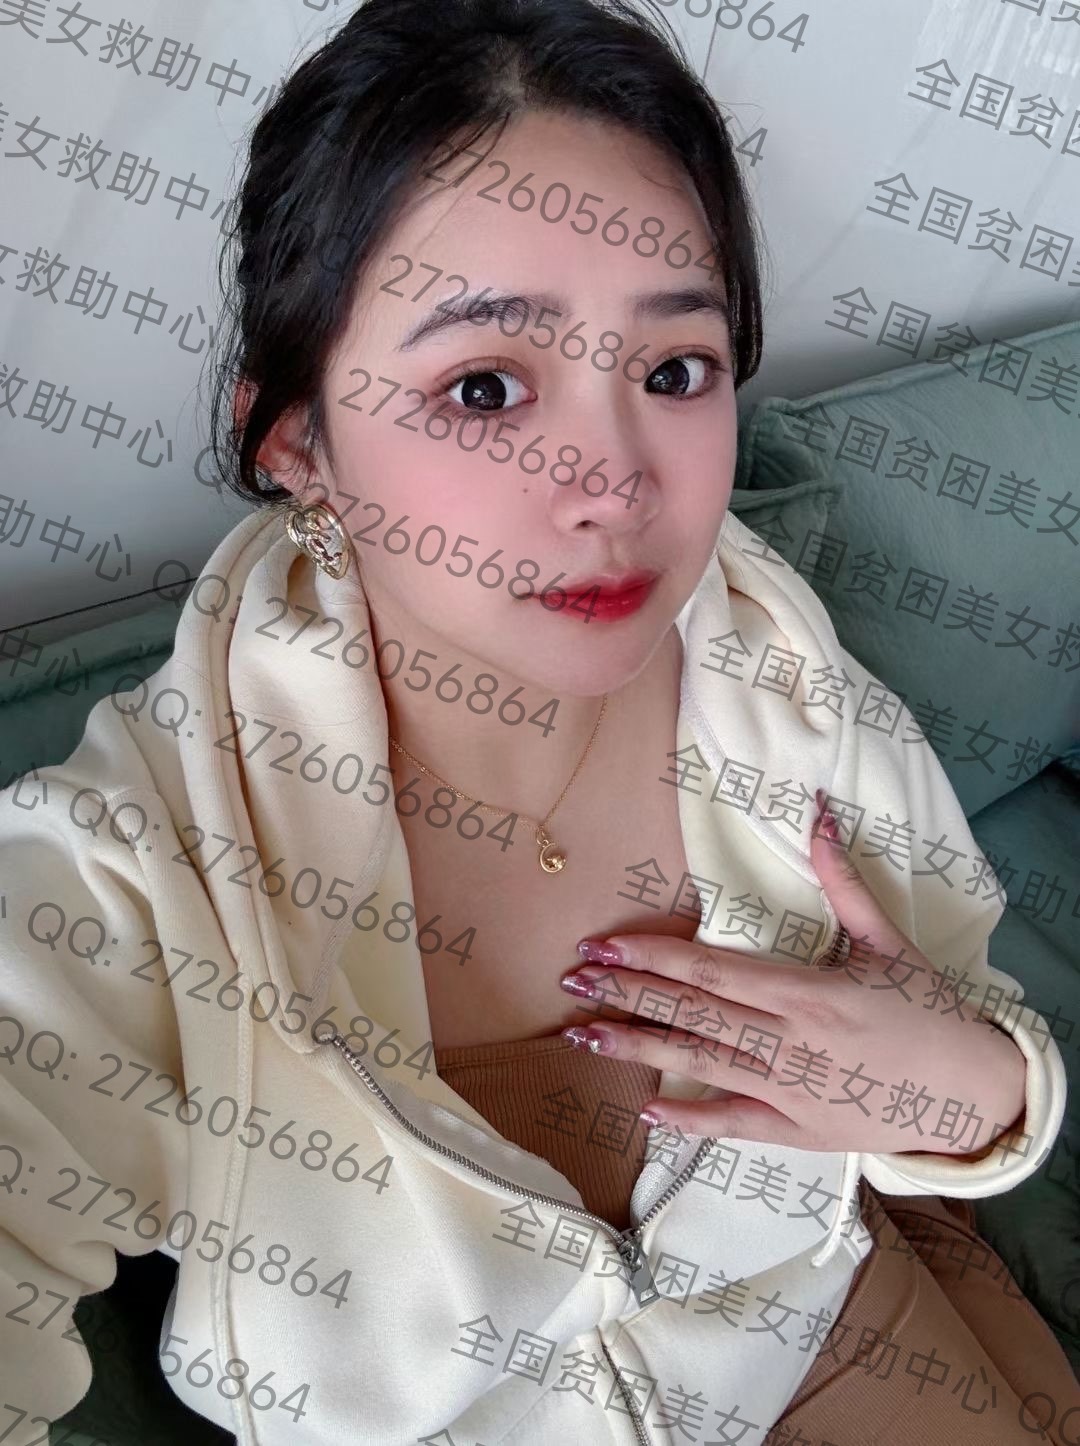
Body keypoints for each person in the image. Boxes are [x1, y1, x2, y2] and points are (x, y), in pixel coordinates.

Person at [1, 1, 1075, 1443]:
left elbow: (960, 1034)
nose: (617, 481)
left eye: (674, 370)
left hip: (836, 1334)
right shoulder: (144, 859)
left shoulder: (777, 679)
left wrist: (977, 1091)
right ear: (300, 441)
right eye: (487, 387)